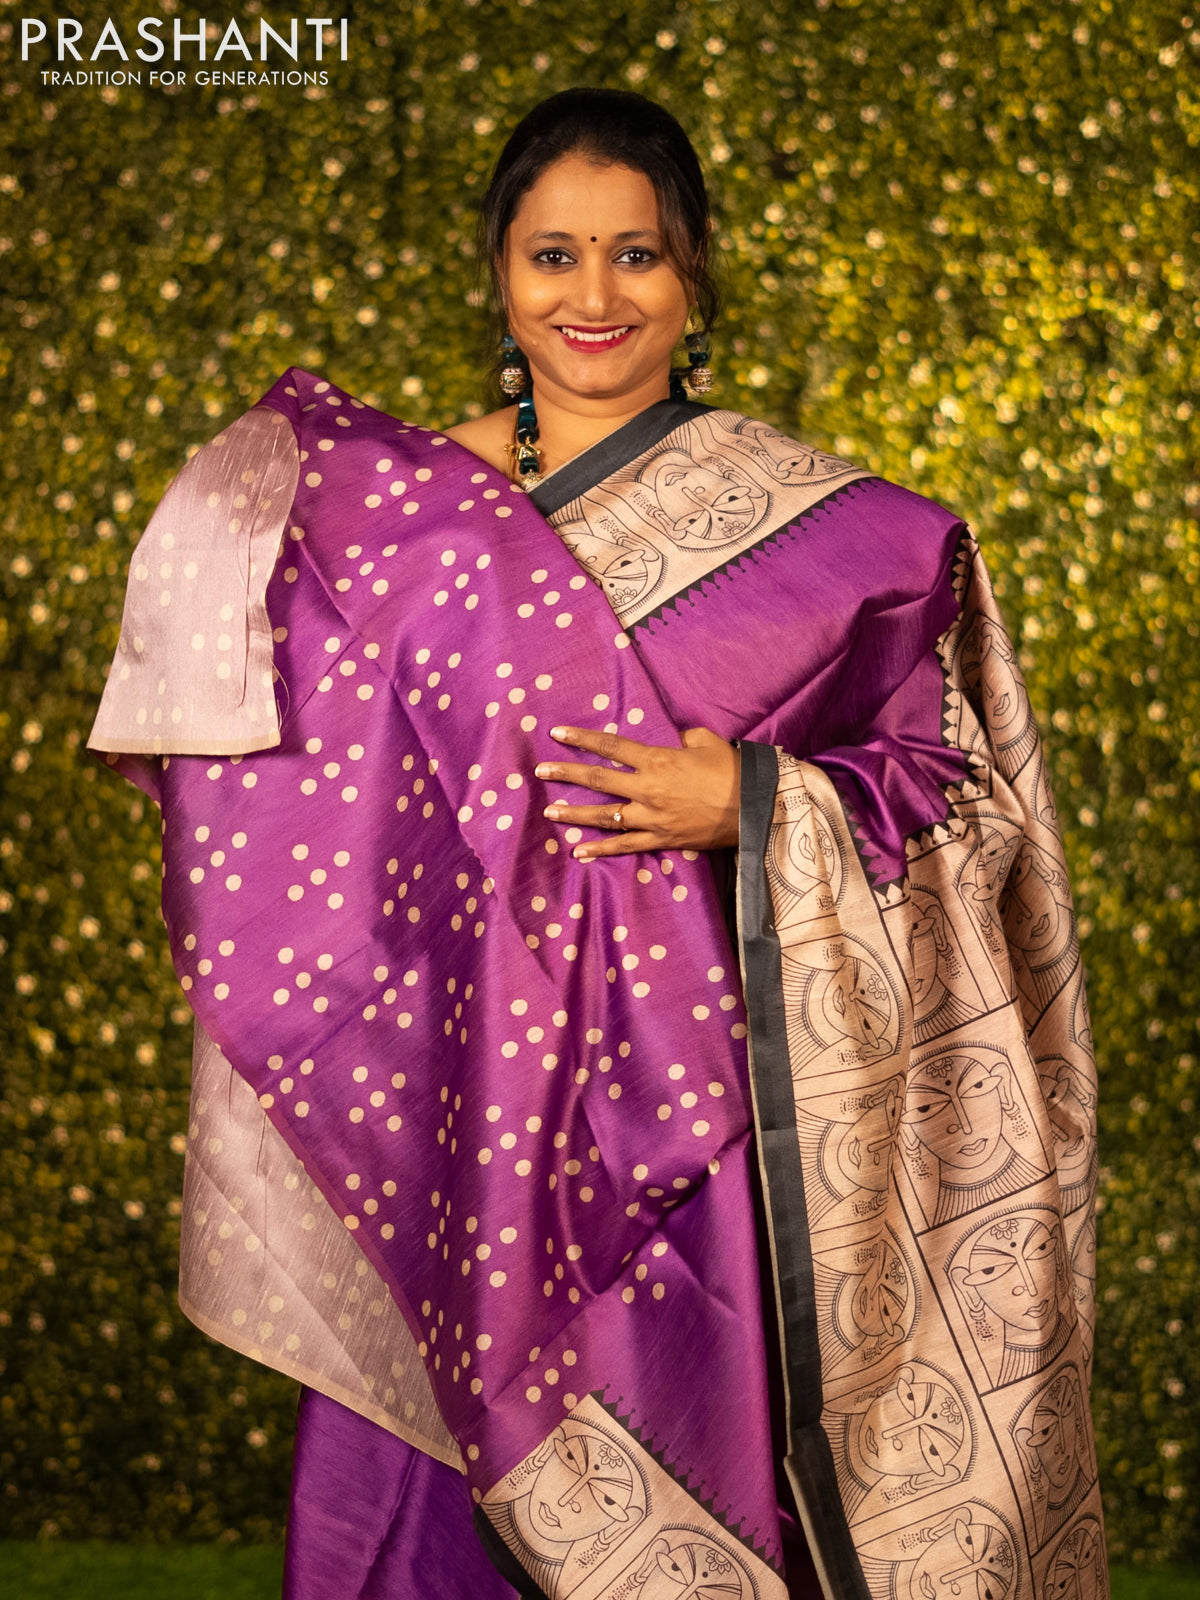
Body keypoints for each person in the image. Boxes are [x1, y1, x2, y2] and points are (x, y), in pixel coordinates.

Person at [89, 89, 1105, 1600]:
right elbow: (285, 777)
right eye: (553, 255)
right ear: (500, 275)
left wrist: (751, 802)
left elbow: (962, 809)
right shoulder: (385, 519)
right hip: (448, 1110)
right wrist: (231, 522)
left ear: (696, 276)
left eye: (637, 254)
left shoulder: (849, 544)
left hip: (702, 1126)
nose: (595, 295)